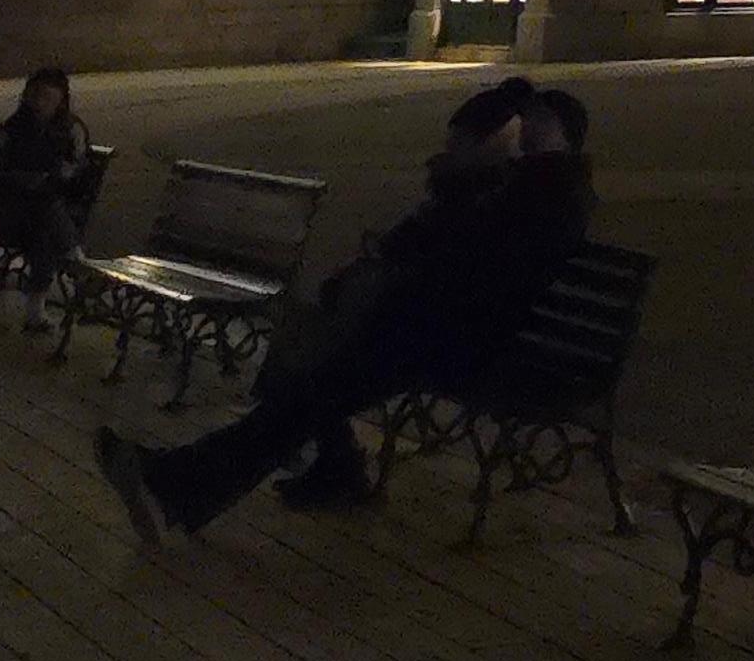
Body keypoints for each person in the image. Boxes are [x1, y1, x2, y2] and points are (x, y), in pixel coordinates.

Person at [99, 87, 593, 542]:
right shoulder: (520, 184)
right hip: (429, 330)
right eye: (528, 117)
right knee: (311, 382)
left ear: (565, 134)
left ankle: (179, 483)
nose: (528, 127)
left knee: (313, 388)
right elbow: (438, 246)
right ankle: (190, 483)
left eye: (541, 120)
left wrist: (467, 187)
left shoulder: (548, 192)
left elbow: (470, 262)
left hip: (463, 346)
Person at [0, 68, 95, 326]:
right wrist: (17, 180)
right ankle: (75, 259)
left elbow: (77, 175)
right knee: (41, 209)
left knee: (42, 224)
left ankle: (37, 310)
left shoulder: (70, 131)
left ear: (60, 101)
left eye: (47, 98)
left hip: (48, 213)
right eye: (35, 96)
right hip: (8, 215)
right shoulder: (10, 131)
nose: (39, 103)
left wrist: (52, 179)